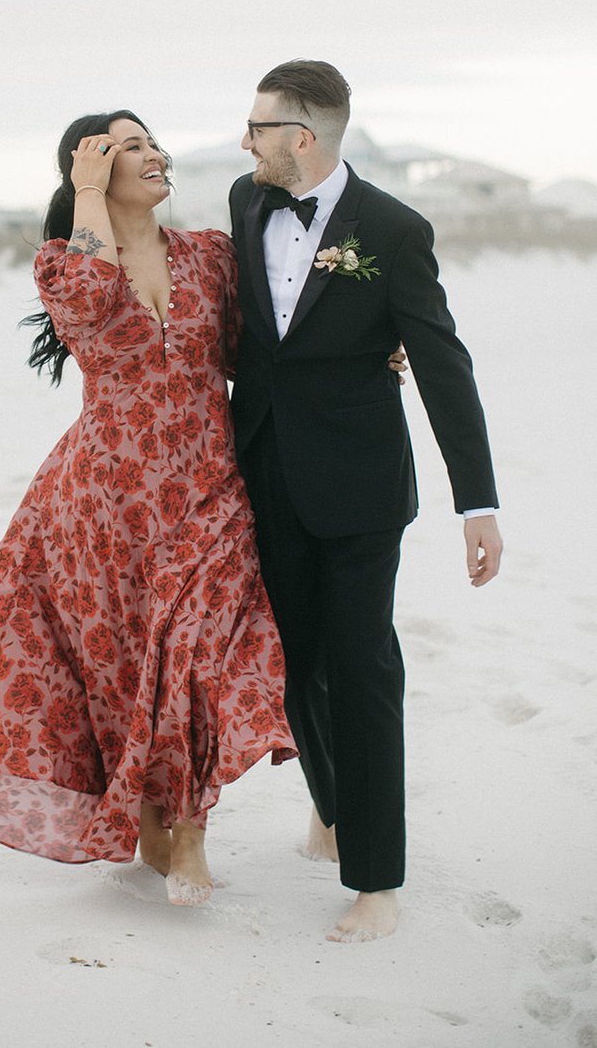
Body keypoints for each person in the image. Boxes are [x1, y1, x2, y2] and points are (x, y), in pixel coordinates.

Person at [0, 111, 297, 907]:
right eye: (127, 149)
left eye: (153, 143)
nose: (153, 156)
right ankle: (151, 821)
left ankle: (189, 831)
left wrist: (369, 359)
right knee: (123, 668)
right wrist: (86, 194)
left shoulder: (210, 256)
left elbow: (268, 349)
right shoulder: (63, 265)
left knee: (191, 657)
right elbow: (89, 298)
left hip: (208, 488)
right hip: (102, 504)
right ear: (90, 175)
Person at [229, 59, 503, 943]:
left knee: (363, 669)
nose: (245, 142)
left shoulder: (392, 227)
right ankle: (334, 803)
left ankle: (377, 883)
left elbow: (440, 360)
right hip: (265, 472)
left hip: (359, 489)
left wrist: (479, 503)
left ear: (300, 137)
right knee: (291, 662)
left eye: (258, 126)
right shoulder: (246, 202)